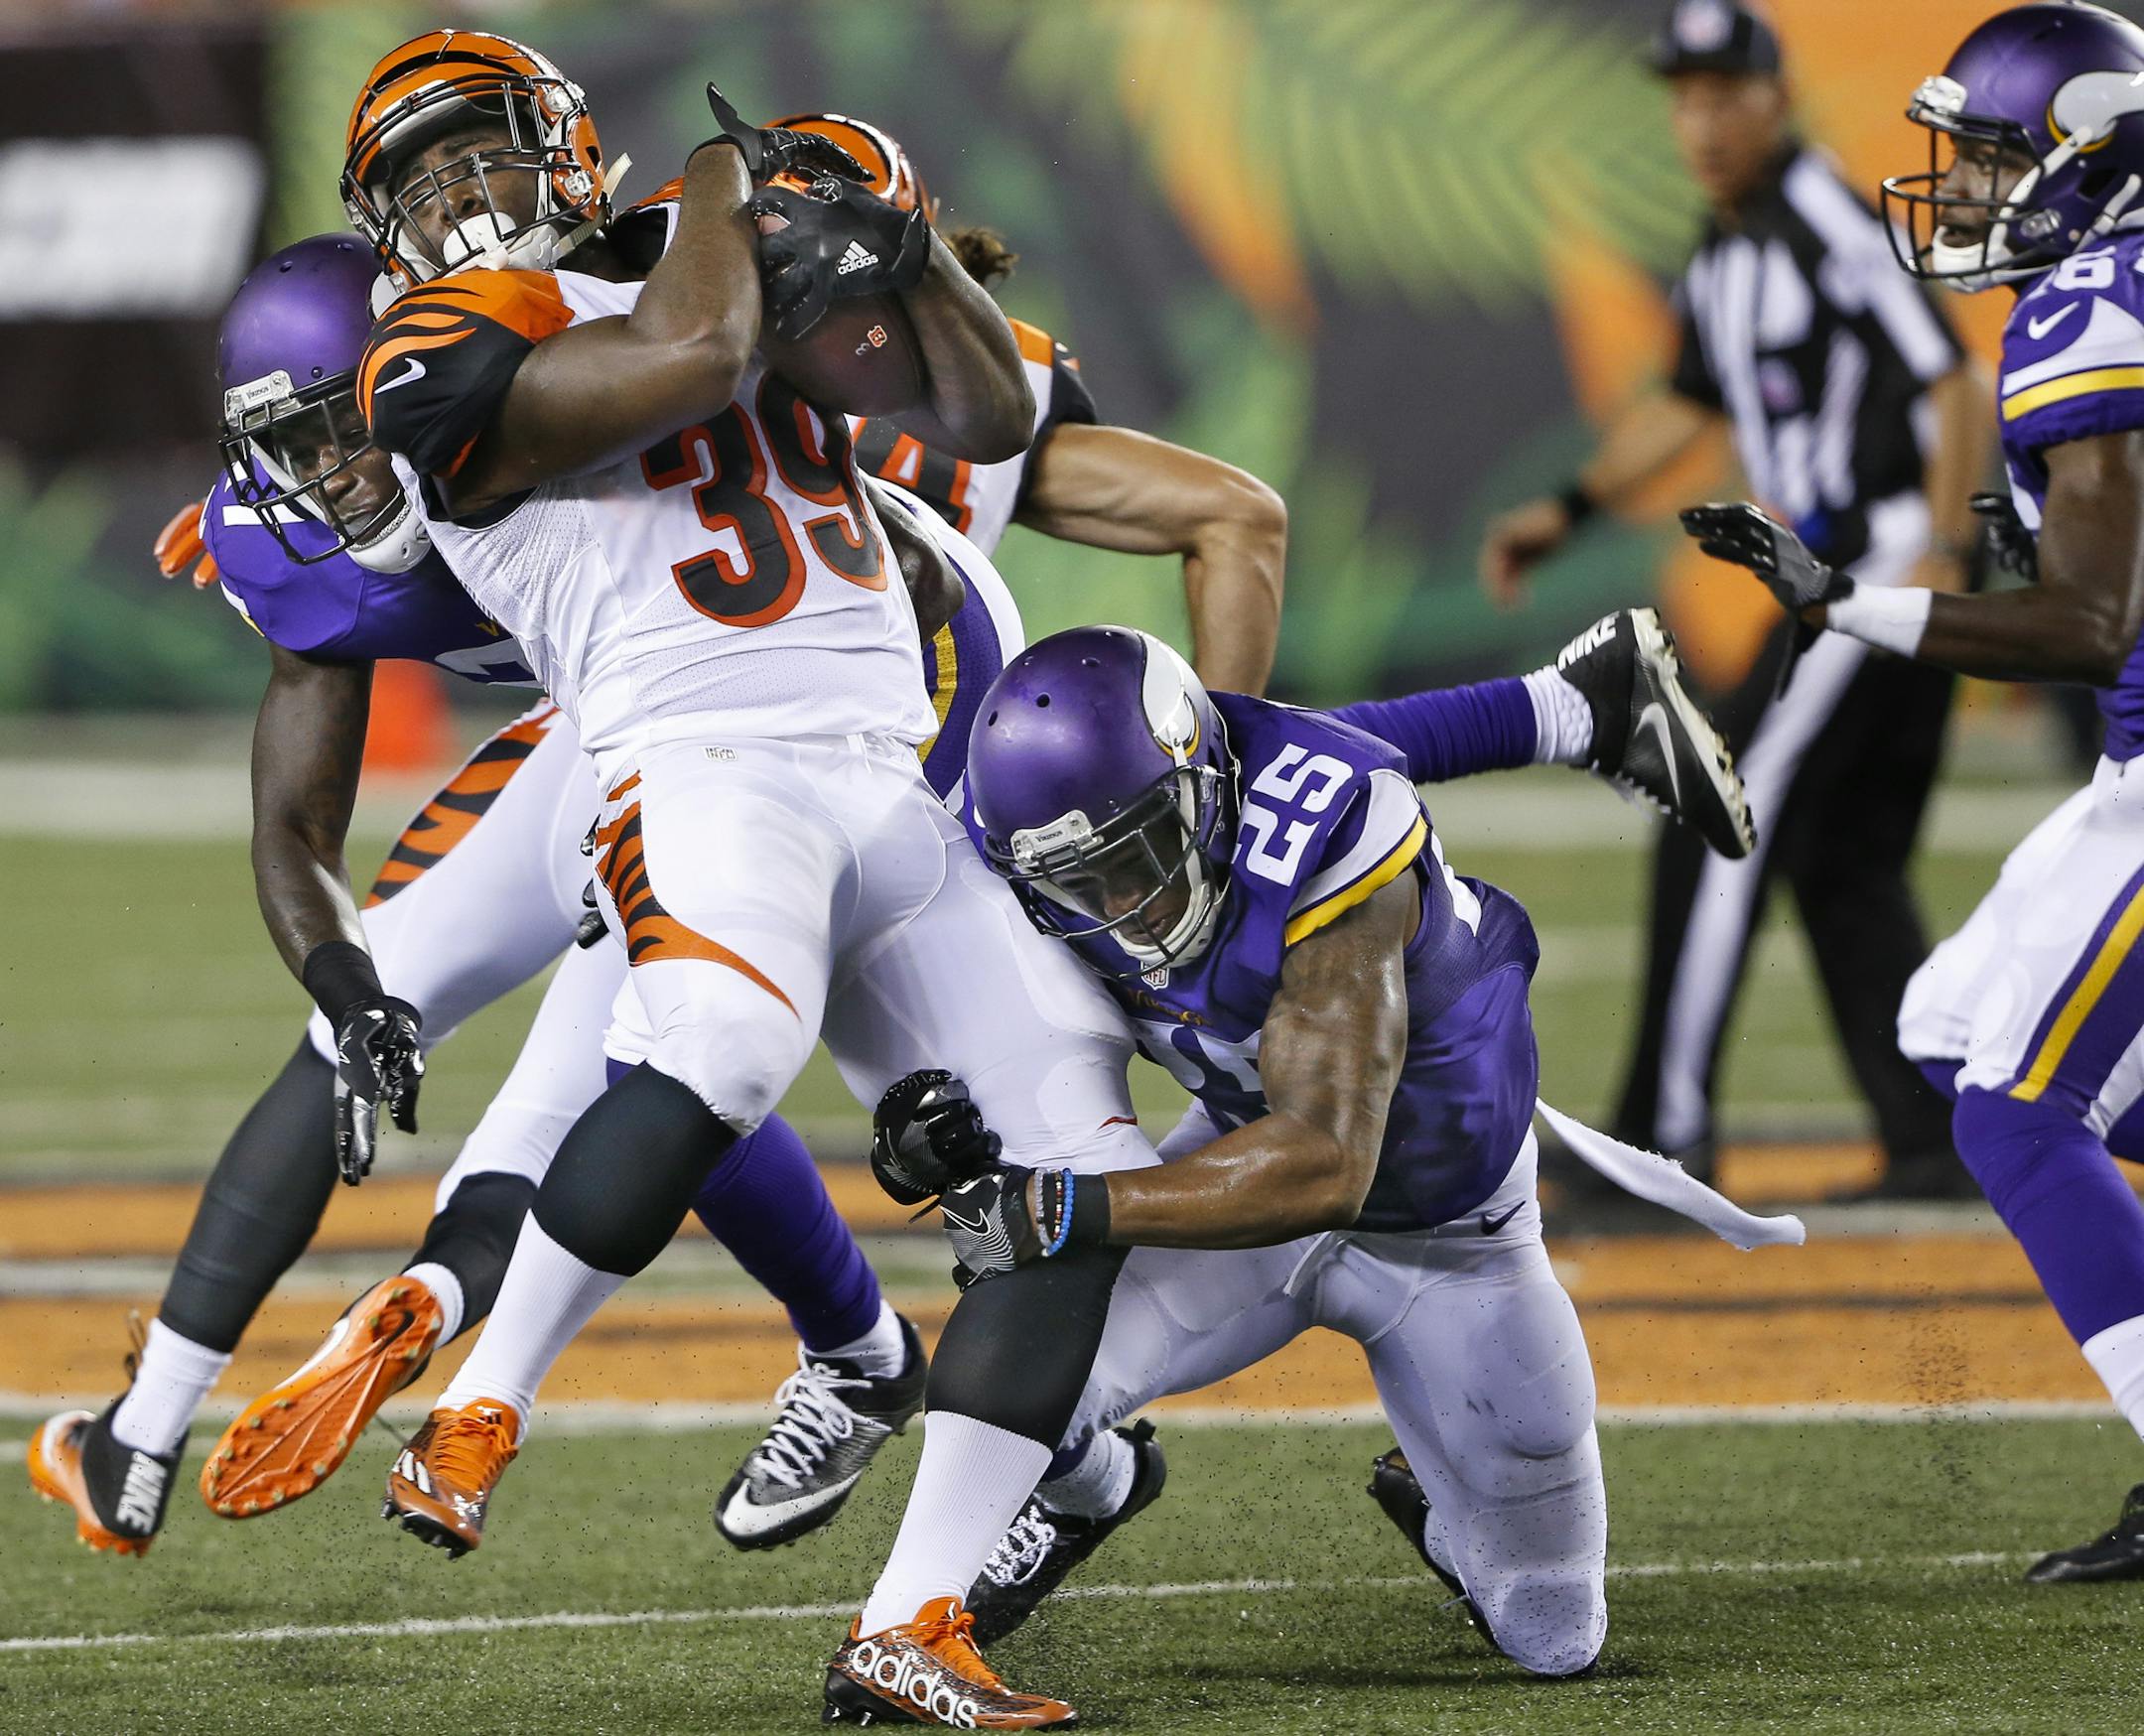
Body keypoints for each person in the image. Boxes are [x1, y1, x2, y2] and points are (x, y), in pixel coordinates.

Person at [26, 233, 938, 1557]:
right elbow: (293, 823)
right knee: (413, 991)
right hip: (619, 729)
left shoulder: (562, 404)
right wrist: (343, 984)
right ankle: (174, 1416)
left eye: (353, 425)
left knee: (657, 1053)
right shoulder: (312, 531)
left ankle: (991, 1405)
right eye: (297, 446)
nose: (331, 476)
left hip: (821, 713)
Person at [854, 626, 1798, 1711]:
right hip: (1235, 1162)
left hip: (1444, 1235)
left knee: (1553, 1630)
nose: (1125, 905)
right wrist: (927, 1121)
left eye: (1140, 852)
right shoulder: (1009, 845)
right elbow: (949, 1023)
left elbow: (1323, 1165)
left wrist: (1063, 1202)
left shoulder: (1335, 827)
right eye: (1084, 879)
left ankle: (1446, 1487)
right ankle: (1083, 1499)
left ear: (1201, 790)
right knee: (1023, 1342)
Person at [1691, 0, 2144, 1583]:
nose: (1957, 190)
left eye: (1995, 158)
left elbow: (2089, 624)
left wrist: (1841, 599)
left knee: (2022, 1111)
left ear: (2089, 160)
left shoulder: (2091, 303)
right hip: (2132, 766)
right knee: (1952, 1021)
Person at [1478, 0, 1992, 1200]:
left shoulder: (1820, 214)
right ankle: (1928, 1138)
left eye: (1725, 93)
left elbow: (1955, 377)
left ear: (1776, 98)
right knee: (1842, 858)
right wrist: (1568, 506)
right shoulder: (1732, 245)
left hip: (1878, 569)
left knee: (1720, 817)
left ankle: (1664, 1136)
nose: (1702, 121)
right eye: (1686, 96)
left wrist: (1945, 553)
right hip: (1839, 583)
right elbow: (1690, 401)